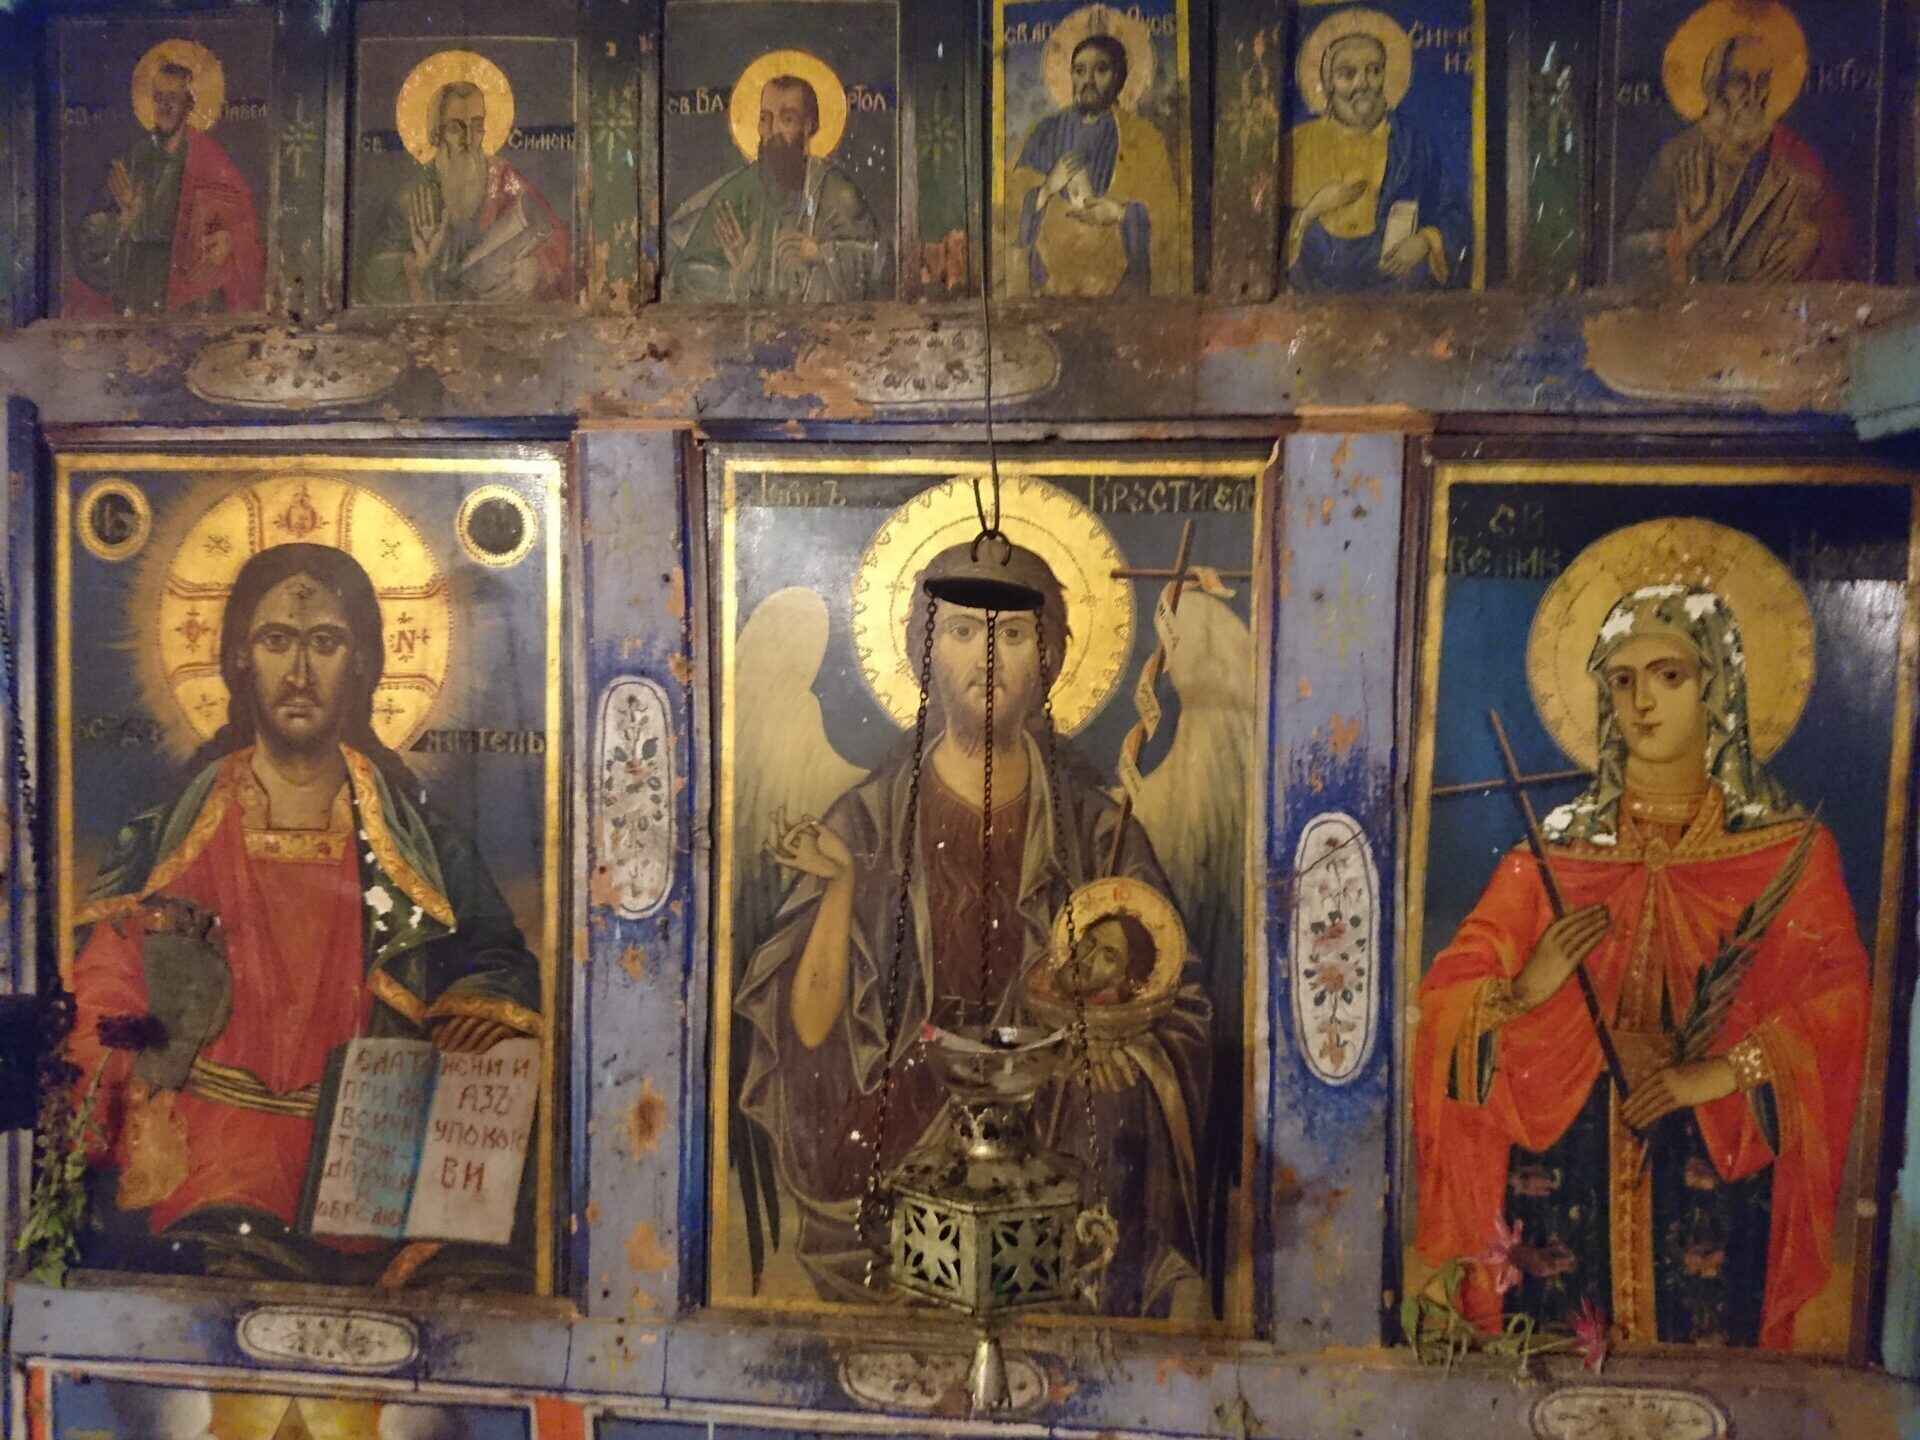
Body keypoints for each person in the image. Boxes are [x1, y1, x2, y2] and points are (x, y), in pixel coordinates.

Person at [733, 542, 1211, 1316]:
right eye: (961, 631)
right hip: (899, 1129)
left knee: (1111, 1103)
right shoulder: (865, 822)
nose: (987, 657)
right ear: (924, 655)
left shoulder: (1099, 833)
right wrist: (842, 886)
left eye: (1012, 635)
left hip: (1048, 1131)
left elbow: (1178, 1006)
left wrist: (1122, 1038)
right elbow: (809, 1041)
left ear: (1049, 658)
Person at [67, 542, 542, 1286]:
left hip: (372, 1173)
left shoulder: (418, 840)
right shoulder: (175, 833)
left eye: (325, 642)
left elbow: (497, 957)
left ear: (363, 661)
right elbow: (103, 986)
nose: (298, 673)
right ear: (238, 658)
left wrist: (484, 1004)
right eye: (275, 640)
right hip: (209, 1168)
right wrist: (138, 1075)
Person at [1412, 584, 1870, 1348]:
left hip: (1716, 1166)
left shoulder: (1788, 854)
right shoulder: (1553, 854)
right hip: (1565, 1170)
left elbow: (1842, 1004)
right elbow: (1447, 995)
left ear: (1716, 687)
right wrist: (1524, 991)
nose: (1643, 702)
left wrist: (1719, 1074)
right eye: (1622, 680)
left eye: (1669, 675)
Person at [1620, 32, 1850, 284]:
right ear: (1716, 87)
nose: (1752, 94)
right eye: (1740, 81)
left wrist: (1811, 241)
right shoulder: (1677, 157)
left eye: (1762, 81)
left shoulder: (1788, 156)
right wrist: (1683, 239)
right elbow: (1627, 254)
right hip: (1693, 305)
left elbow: (1836, 240)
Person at [70, 58, 265, 316]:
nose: (165, 106)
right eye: (159, 97)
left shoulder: (209, 159)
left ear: (190, 104)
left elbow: (246, 228)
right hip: (138, 292)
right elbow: (89, 242)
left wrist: (229, 242)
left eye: (173, 98)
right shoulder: (134, 160)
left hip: (192, 298)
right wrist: (124, 220)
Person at [665, 75, 885, 303]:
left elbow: (877, 264)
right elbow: (685, 277)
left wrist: (821, 255)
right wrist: (736, 277)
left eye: (787, 119)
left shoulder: (837, 193)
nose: (772, 130)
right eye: (765, 119)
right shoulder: (736, 194)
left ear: (808, 126)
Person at [1285, 23, 1468, 292]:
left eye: (1374, 71)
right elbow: (1264, 236)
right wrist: (1313, 210)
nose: (1362, 84)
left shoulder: (1412, 146)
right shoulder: (1299, 144)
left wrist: (1426, 241)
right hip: (1311, 296)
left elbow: (1454, 214)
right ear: (1328, 82)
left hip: (1397, 294)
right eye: (1347, 74)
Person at [356, 80, 571, 305]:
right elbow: (372, 278)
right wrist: (416, 266)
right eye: (455, 128)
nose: (468, 141)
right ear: (436, 132)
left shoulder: (504, 179)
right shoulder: (412, 197)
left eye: (477, 127)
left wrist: (537, 267)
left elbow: (557, 236)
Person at [1007, 34, 1181, 296]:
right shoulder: (1045, 133)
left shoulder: (1144, 138)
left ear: (1119, 77)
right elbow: (1010, 208)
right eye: (1079, 71)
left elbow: (1167, 215)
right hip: (1050, 285)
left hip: (1118, 286)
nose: (1088, 80)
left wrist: (1121, 214)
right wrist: (1046, 189)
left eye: (1101, 69)